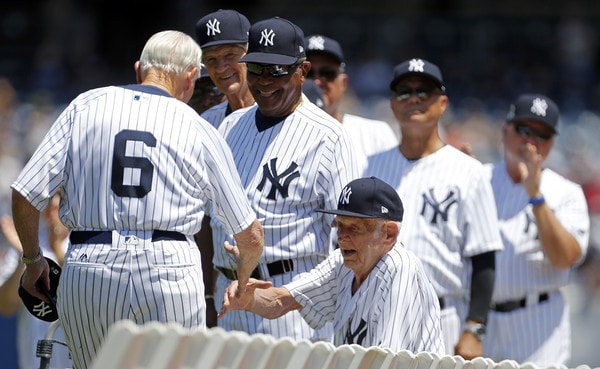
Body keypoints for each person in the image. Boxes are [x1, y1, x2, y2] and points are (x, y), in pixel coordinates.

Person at [11, 30, 264, 369]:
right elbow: (250, 235)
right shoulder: (197, 125)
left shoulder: (84, 106)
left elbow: (25, 194)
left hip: (90, 263)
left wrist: (32, 260)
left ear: (138, 69)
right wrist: (243, 275)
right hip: (169, 268)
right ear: (191, 77)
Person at [198, 16, 360, 342]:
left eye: (278, 70)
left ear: (302, 71)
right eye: (257, 69)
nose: (265, 80)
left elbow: (353, 239)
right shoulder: (229, 127)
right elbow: (207, 222)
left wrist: (287, 297)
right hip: (228, 297)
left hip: (290, 300)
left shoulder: (330, 137)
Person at [363, 58, 503, 359]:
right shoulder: (371, 167)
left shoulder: (468, 171)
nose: (414, 98)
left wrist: (475, 327)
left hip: (442, 315)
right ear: (392, 104)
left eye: (424, 91)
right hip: (377, 310)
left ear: (442, 104)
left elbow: (484, 257)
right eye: (404, 91)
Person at [220, 176, 444, 354]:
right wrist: (246, 297)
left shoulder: (400, 267)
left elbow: (389, 361)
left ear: (389, 233)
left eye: (354, 228)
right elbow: (281, 300)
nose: (342, 236)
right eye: (340, 225)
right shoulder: (343, 263)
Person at [482, 94, 590, 366]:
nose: (531, 141)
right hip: (478, 318)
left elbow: (565, 257)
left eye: (542, 134)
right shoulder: (477, 179)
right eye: (524, 130)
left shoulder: (566, 192)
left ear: (552, 143)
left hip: (537, 321)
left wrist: (537, 197)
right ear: (506, 130)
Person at [304, 34, 398, 173]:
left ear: (344, 83)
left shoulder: (376, 135)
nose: (317, 82)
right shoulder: (276, 133)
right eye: (308, 73)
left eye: (327, 73)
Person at [0, 194, 72, 369]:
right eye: (47, 204)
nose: (51, 210)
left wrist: (56, 249)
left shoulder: (83, 244)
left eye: (59, 204)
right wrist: (24, 257)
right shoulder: (28, 243)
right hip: (32, 362)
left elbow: (86, 290)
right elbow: (6, 306)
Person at [195, 9, 255, 128]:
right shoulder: (206, 123)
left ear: (250, 54)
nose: (220, 68)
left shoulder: (281, 113)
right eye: (211, 59)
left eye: (230, 55)